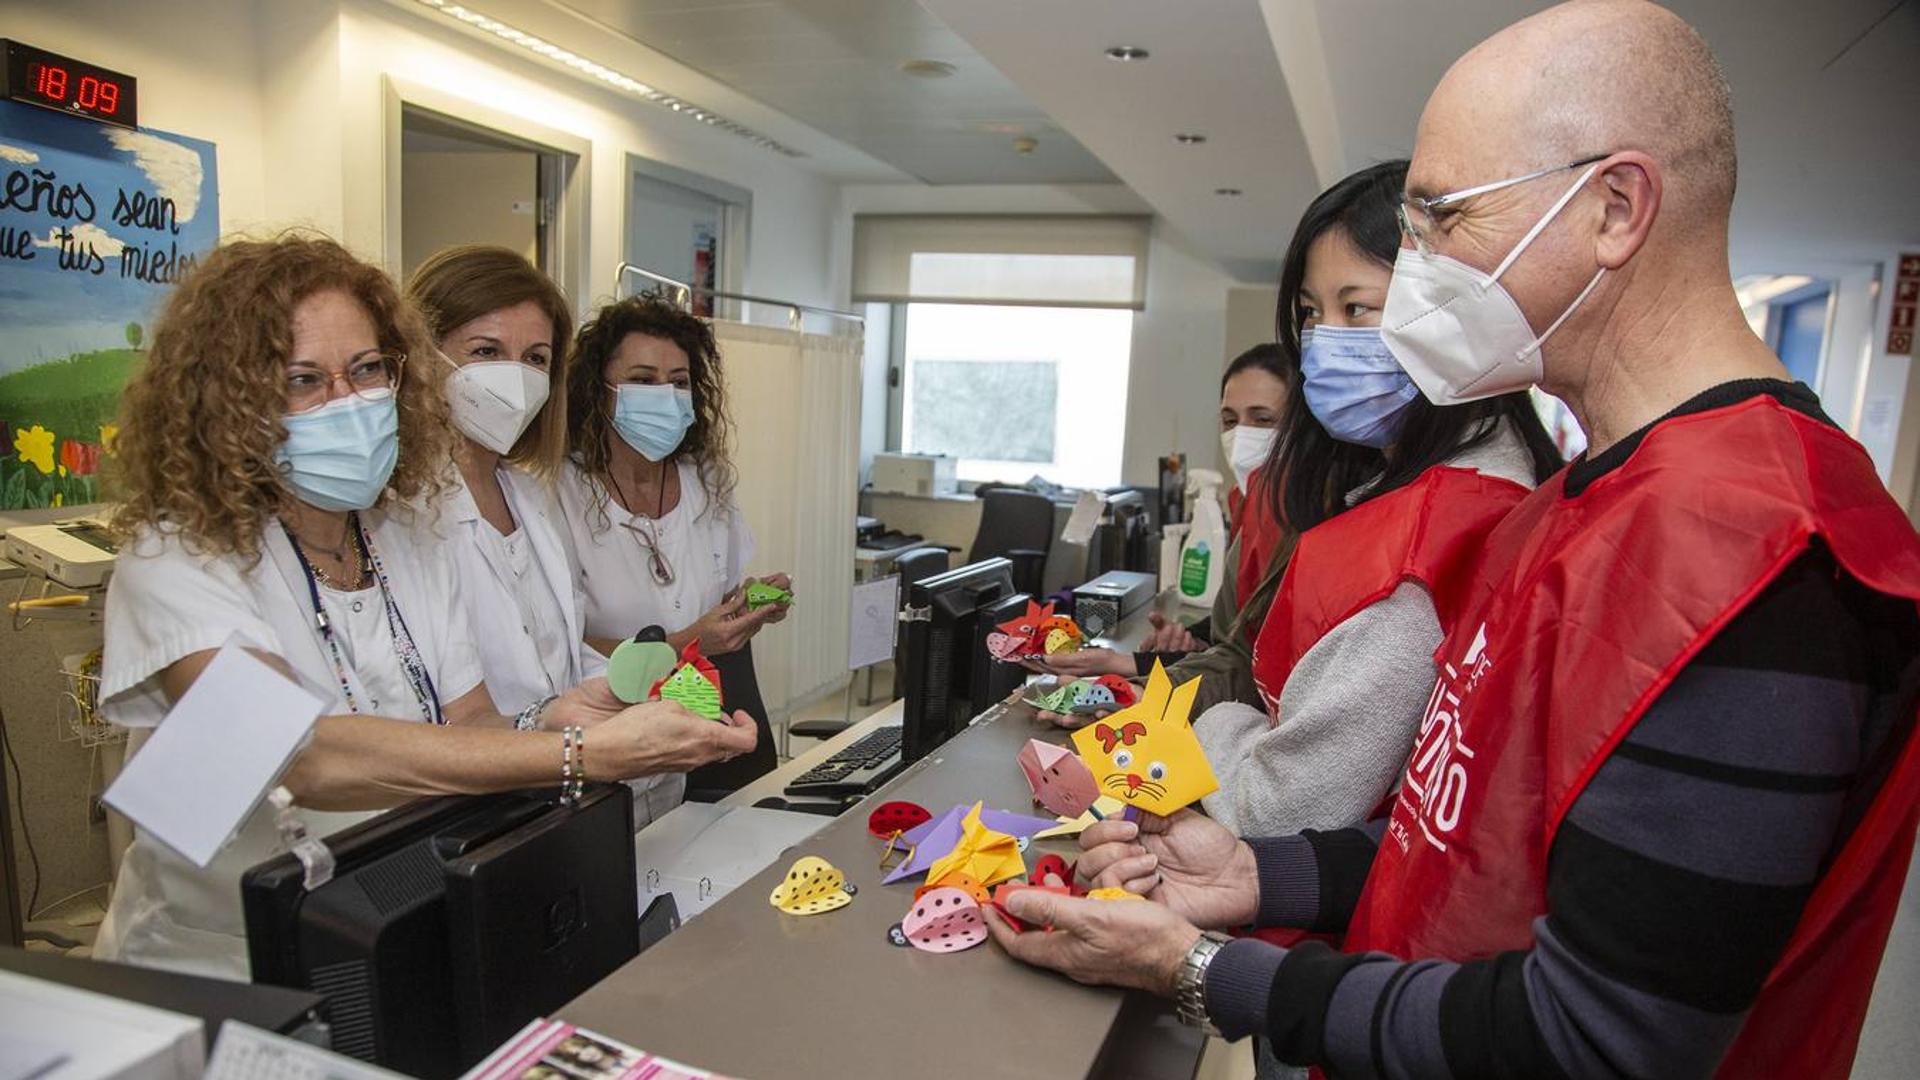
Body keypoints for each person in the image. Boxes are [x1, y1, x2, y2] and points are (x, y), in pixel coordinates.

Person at [987, 5, 1920, 1079]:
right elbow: (1476, 842)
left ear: (1616, 207)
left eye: (1441, 216)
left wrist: (1200, 970)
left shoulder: (1752, 543)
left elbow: (1599, 1041)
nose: (1414, 269)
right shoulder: (1584, 500)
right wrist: (1258, 872)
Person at [97, 235, 755, 978]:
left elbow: (470, 721)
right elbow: (299, 757)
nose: (349, 403)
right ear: (228, 397)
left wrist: (564, 715)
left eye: (367, 370)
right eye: (305, 379)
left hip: (380, 927)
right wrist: (581, 754)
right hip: (217, 958)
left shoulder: (400, 538)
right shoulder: (178, 556)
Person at [557, 294, 788, 799]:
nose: (664, 395)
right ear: (600, 391)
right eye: (642, 380)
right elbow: (561, 647)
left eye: (679, 382)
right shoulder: (561, 495)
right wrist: (688, 642)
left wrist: (748, 606)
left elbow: (718, 597)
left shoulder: (705, 482)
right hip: (611, 743)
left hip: (703, 726)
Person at [1028, 345, 1296, 714]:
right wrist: (1132, 668)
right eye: (1230, 421)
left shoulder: (1316, 527)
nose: (1242, 436)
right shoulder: (1250, 504)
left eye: (1263, 419)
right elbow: (1239, 642)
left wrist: (1143, 695)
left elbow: (1263, 668)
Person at [406, 245, 602, 716]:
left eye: (535, 359)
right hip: (476, 778)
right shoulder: (404, 510)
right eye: (486, 351)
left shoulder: (529, 496)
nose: (514, 376)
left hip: (558, 772)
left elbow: (562, 654)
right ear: (423, 354)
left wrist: (641, 689)